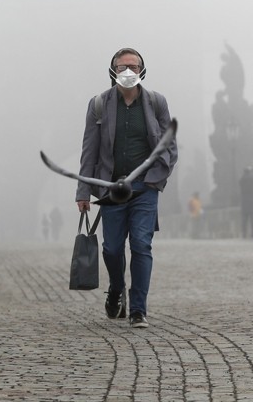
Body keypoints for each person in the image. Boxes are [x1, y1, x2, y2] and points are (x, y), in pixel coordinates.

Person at [74, 47, 177, 328]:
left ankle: (138, 310)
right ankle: (117, 289)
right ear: (113, 71)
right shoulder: (98, 105)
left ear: (143, 70)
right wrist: (83, 192)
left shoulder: (157, 102)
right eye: (122, 67)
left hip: (145, 188)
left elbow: (169, 145)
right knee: (112, 249)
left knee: (142, 246)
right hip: (112, 189)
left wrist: (158, 178)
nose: (128, 71)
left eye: (134, 66)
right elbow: (89, 151)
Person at [239, 167, 253, 238]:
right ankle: (252, 233)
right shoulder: (251, 179)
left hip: (244, 202)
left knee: (244, 219)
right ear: (249, 172)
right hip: (252, 202)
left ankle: (244, 234)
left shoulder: (241, 180)